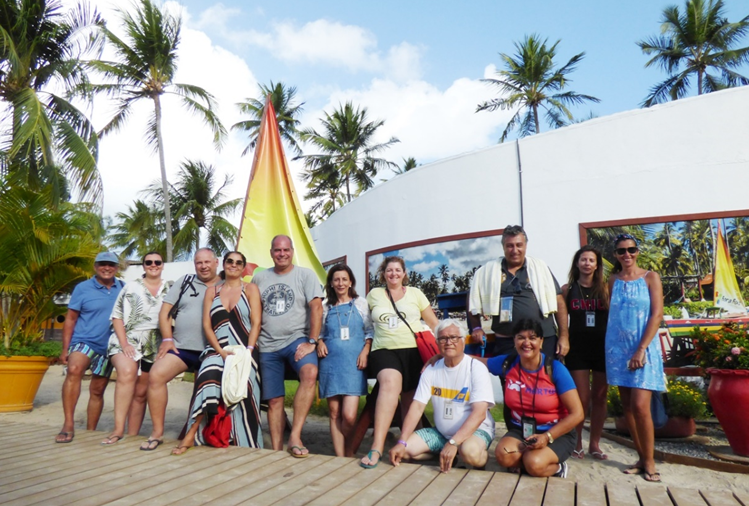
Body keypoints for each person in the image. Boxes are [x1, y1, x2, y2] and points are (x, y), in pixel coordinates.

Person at [172, 251, 263, 454]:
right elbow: (206, 324)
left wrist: (248, 351)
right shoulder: (212, 291)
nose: (233, 265)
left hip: (244, 348)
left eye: (238, 262)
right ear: (224, 264)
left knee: (245, 383)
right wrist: (220, 351)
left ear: (243, 267)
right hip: (217, 347)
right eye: (230, 261)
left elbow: (256, 323)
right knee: (208, 377)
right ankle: (191, 434)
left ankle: (243, 439)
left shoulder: (250, 289)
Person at [361, 256, 439, 469]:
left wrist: (445, 348)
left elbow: (434, 323)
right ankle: (377, 446)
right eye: (389, 270)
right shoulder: (374, 294)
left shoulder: (415, 293)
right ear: (383, 274)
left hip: (413, 350)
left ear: (404, 273)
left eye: (397, 270)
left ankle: (410, 447)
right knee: (390, 383)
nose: (393, 274)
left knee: (409, 400)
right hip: (384, 349)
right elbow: (364, 323)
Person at [140, 248, 220, 451]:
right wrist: (167, 338)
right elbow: (165, 311)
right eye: (198, 262)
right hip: (182, 347)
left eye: (207, 262)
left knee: (201, 390)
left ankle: (194, 432)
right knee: (156, 375)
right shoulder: (185, 281)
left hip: (212, 350)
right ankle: (157, 433)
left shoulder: (226, 284)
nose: (203, 266)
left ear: (216, 262)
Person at [389, 319, 495, 473]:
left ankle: (480, 460)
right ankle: (449, 455)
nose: (448, 342)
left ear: (463, 341)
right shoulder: (431, 369)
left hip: (476, 431)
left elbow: (479, 414)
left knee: (470, 452)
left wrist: (454, 442)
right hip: (441, 433)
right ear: (437, 343)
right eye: (443, 338)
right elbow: (417, 407)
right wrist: (402, 440)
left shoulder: (475, 368)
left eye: (453, 337)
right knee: (404, 451)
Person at [252, 235, 323, 457]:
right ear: (271, 252)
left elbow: (317, 308)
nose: (282, 254)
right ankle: (275, 449)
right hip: (267, 345)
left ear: (292, 251)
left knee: (310, 372)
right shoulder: (259, 279)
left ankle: (295, 436)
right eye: (277, 250)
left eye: (286, 250)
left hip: (297, 340)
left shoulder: (305, 275)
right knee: (273, 399)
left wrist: (312, 341)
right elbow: (252, 312)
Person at [489, 318, 583, 478]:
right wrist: (440, 357)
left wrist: (547, 437)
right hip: (522, 430)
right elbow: (471, 363)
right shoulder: (508, 363)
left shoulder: (555, 370)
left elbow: (578, 414)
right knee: (503, 456)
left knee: (534, 464)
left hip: (555, 434)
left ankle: (558, 468)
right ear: (514, 341)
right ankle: (525, 462)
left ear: (541, 342)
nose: (526, 343)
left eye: (532, 338)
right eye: (521, 337)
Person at [606, 234, 665, 482]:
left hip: (643, 349)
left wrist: (641, 348)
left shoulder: (650, 277)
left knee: (641, 406)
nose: (626, 254)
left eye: (631, 249)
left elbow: (657, 314)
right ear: (616, 255)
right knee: (628, 408)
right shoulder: (612, 280)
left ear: (637, 251)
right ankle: (641, 457)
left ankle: (650, 462)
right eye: (621, 251)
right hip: (617, 350)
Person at [468, 225, 569, 359]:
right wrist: (476, 328)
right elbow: (473, 301)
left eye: (519, 245)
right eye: (510, 246)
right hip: (507, 342)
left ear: (525, 246)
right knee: (511, 380)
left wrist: (563, 336)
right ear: (503, 247)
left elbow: (559, 303)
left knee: (545, 379)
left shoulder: (540, 268)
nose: (514, 250)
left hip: (544, 340)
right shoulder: (487, 272)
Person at [101, 252, 170, 445]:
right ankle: (117, 430)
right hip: (127, 337)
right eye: (149, 262)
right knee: (127, 371)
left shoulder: (169, 288)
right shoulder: (131, 287)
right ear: (144, 265)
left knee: (141, 392)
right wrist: (124, 344)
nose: (153, 265)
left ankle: (132, 434)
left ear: (162, 265)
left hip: (154, 341)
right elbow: (117, 316)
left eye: (157, 262)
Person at [56, 252, 125, 443]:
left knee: (97, 389)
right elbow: (70, 319)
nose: (106, 268)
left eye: (111, 264)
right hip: (84, 340)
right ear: (95, 267)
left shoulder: (123, 288)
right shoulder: (83, 288)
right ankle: (68, 424)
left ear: (116, 268)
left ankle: (90, 430)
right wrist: (65, 348)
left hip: (108, 346)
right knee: (74, 369)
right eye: (102, 264)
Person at [318, 264, 373, 457]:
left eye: (344, 279)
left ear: (350, 282)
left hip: (353, 364)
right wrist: (319, 342)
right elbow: (319, 332)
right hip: (330, 363)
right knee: (334, 413)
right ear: (331, 284)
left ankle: (349, 450)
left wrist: (366, 349)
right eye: (336, 280)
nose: (340, 283)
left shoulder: (361, 303)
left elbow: (369, 330)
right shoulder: (325, 306)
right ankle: (341, 457)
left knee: (349, 416)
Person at [561, 246, 609, 460]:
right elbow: (560, 319)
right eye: (583, 260)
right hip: (577, 348)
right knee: (581, 398)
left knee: (600, 397)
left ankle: (595, 444)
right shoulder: (567, 289)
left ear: (597, 264)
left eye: (591, 260)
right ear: (577, 263)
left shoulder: (606, 289)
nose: (587, 263)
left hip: (602, 347)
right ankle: (577, 441)